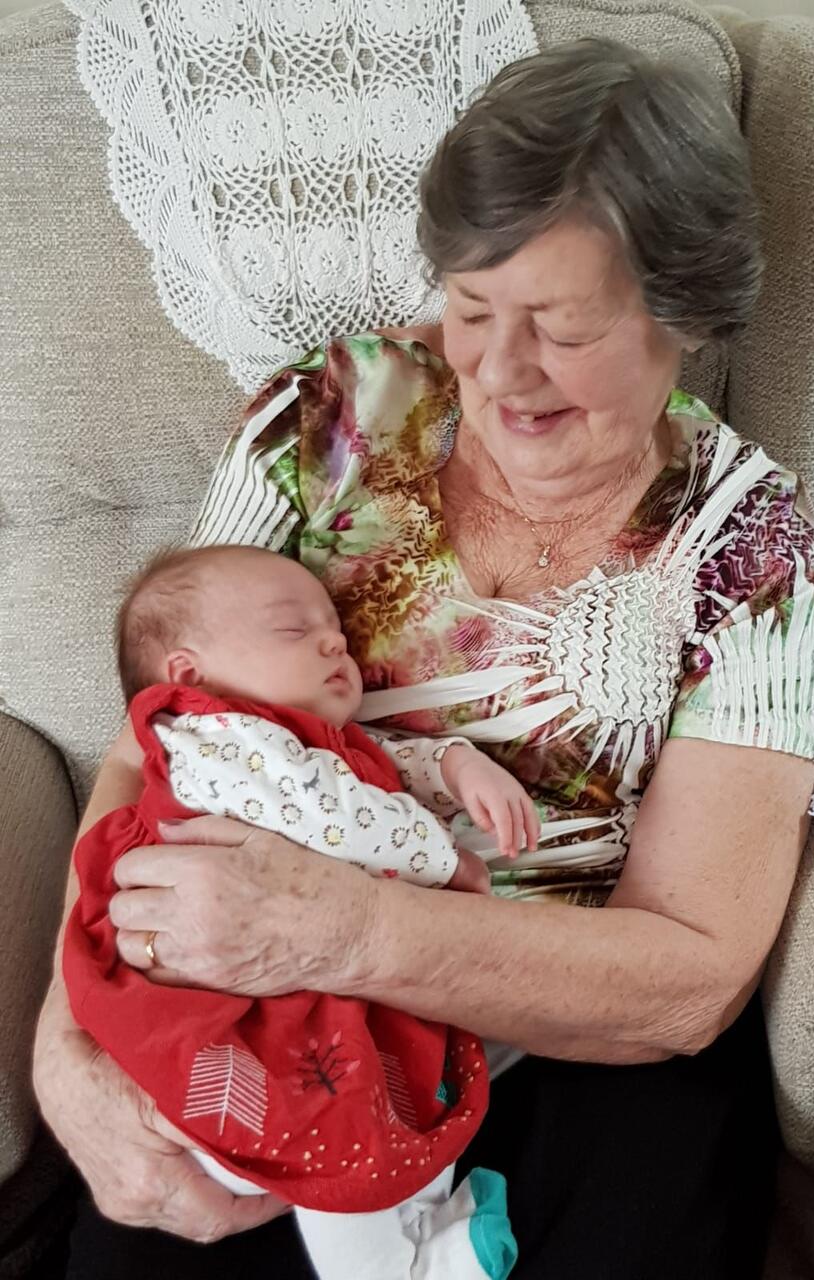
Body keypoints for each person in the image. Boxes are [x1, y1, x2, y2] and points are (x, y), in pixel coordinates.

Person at [34, 38, 814, 1280]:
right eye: (470, 307)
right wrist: (67, 1045)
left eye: (561, 328)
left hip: (569, 1028)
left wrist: (347, 929)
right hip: (259, 1007)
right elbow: (163, 728)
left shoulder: (755, 550)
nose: (498, 372)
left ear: (682, 309)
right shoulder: (329, 418)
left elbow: (689, 971)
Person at [64, 543, 536, 1279]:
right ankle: (393, 1269)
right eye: (294, 630)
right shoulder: (213, 739)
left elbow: (367, 765)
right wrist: (446, 861)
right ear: (188, 674)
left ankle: (423, 1220)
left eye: (336, 630)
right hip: (250, 1021)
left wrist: (453, 763)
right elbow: (336, 814)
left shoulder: (291, 738)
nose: (333, 640)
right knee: (336, 1127)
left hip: (309, 982)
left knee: (394, 1083)